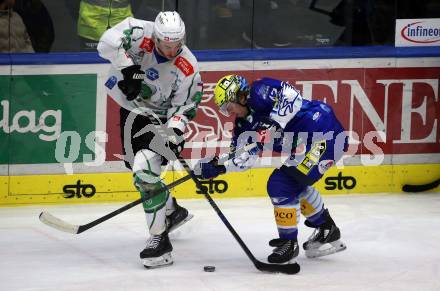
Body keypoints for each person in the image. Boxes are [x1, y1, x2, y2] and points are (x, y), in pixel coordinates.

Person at [197, 75, 347, 266]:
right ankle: (327, 229)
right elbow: (243, 158)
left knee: (281, 184)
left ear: (240, 96)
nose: (228, 112)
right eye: (224, 109)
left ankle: (289, 243)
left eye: (228, 105)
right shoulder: (244, 126)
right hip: (311, 145)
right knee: (292, 184)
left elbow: (291, 96)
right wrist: (218, 166)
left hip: (324, 134)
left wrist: (274, 121)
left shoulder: (260, 91)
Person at [97, 11, 203, 268]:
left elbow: (186, 107)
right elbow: (105, 43)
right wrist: (129, 69)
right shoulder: (137, 31)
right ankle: (172, 212)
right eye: (166, 45)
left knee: (144, 173)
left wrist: (174, 133)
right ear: (155, 38)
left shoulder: (187, 66)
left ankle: (159, 241)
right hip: (132, 111)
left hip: (162, 121)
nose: (171, 50)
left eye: (176, 44)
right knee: (138, 171)